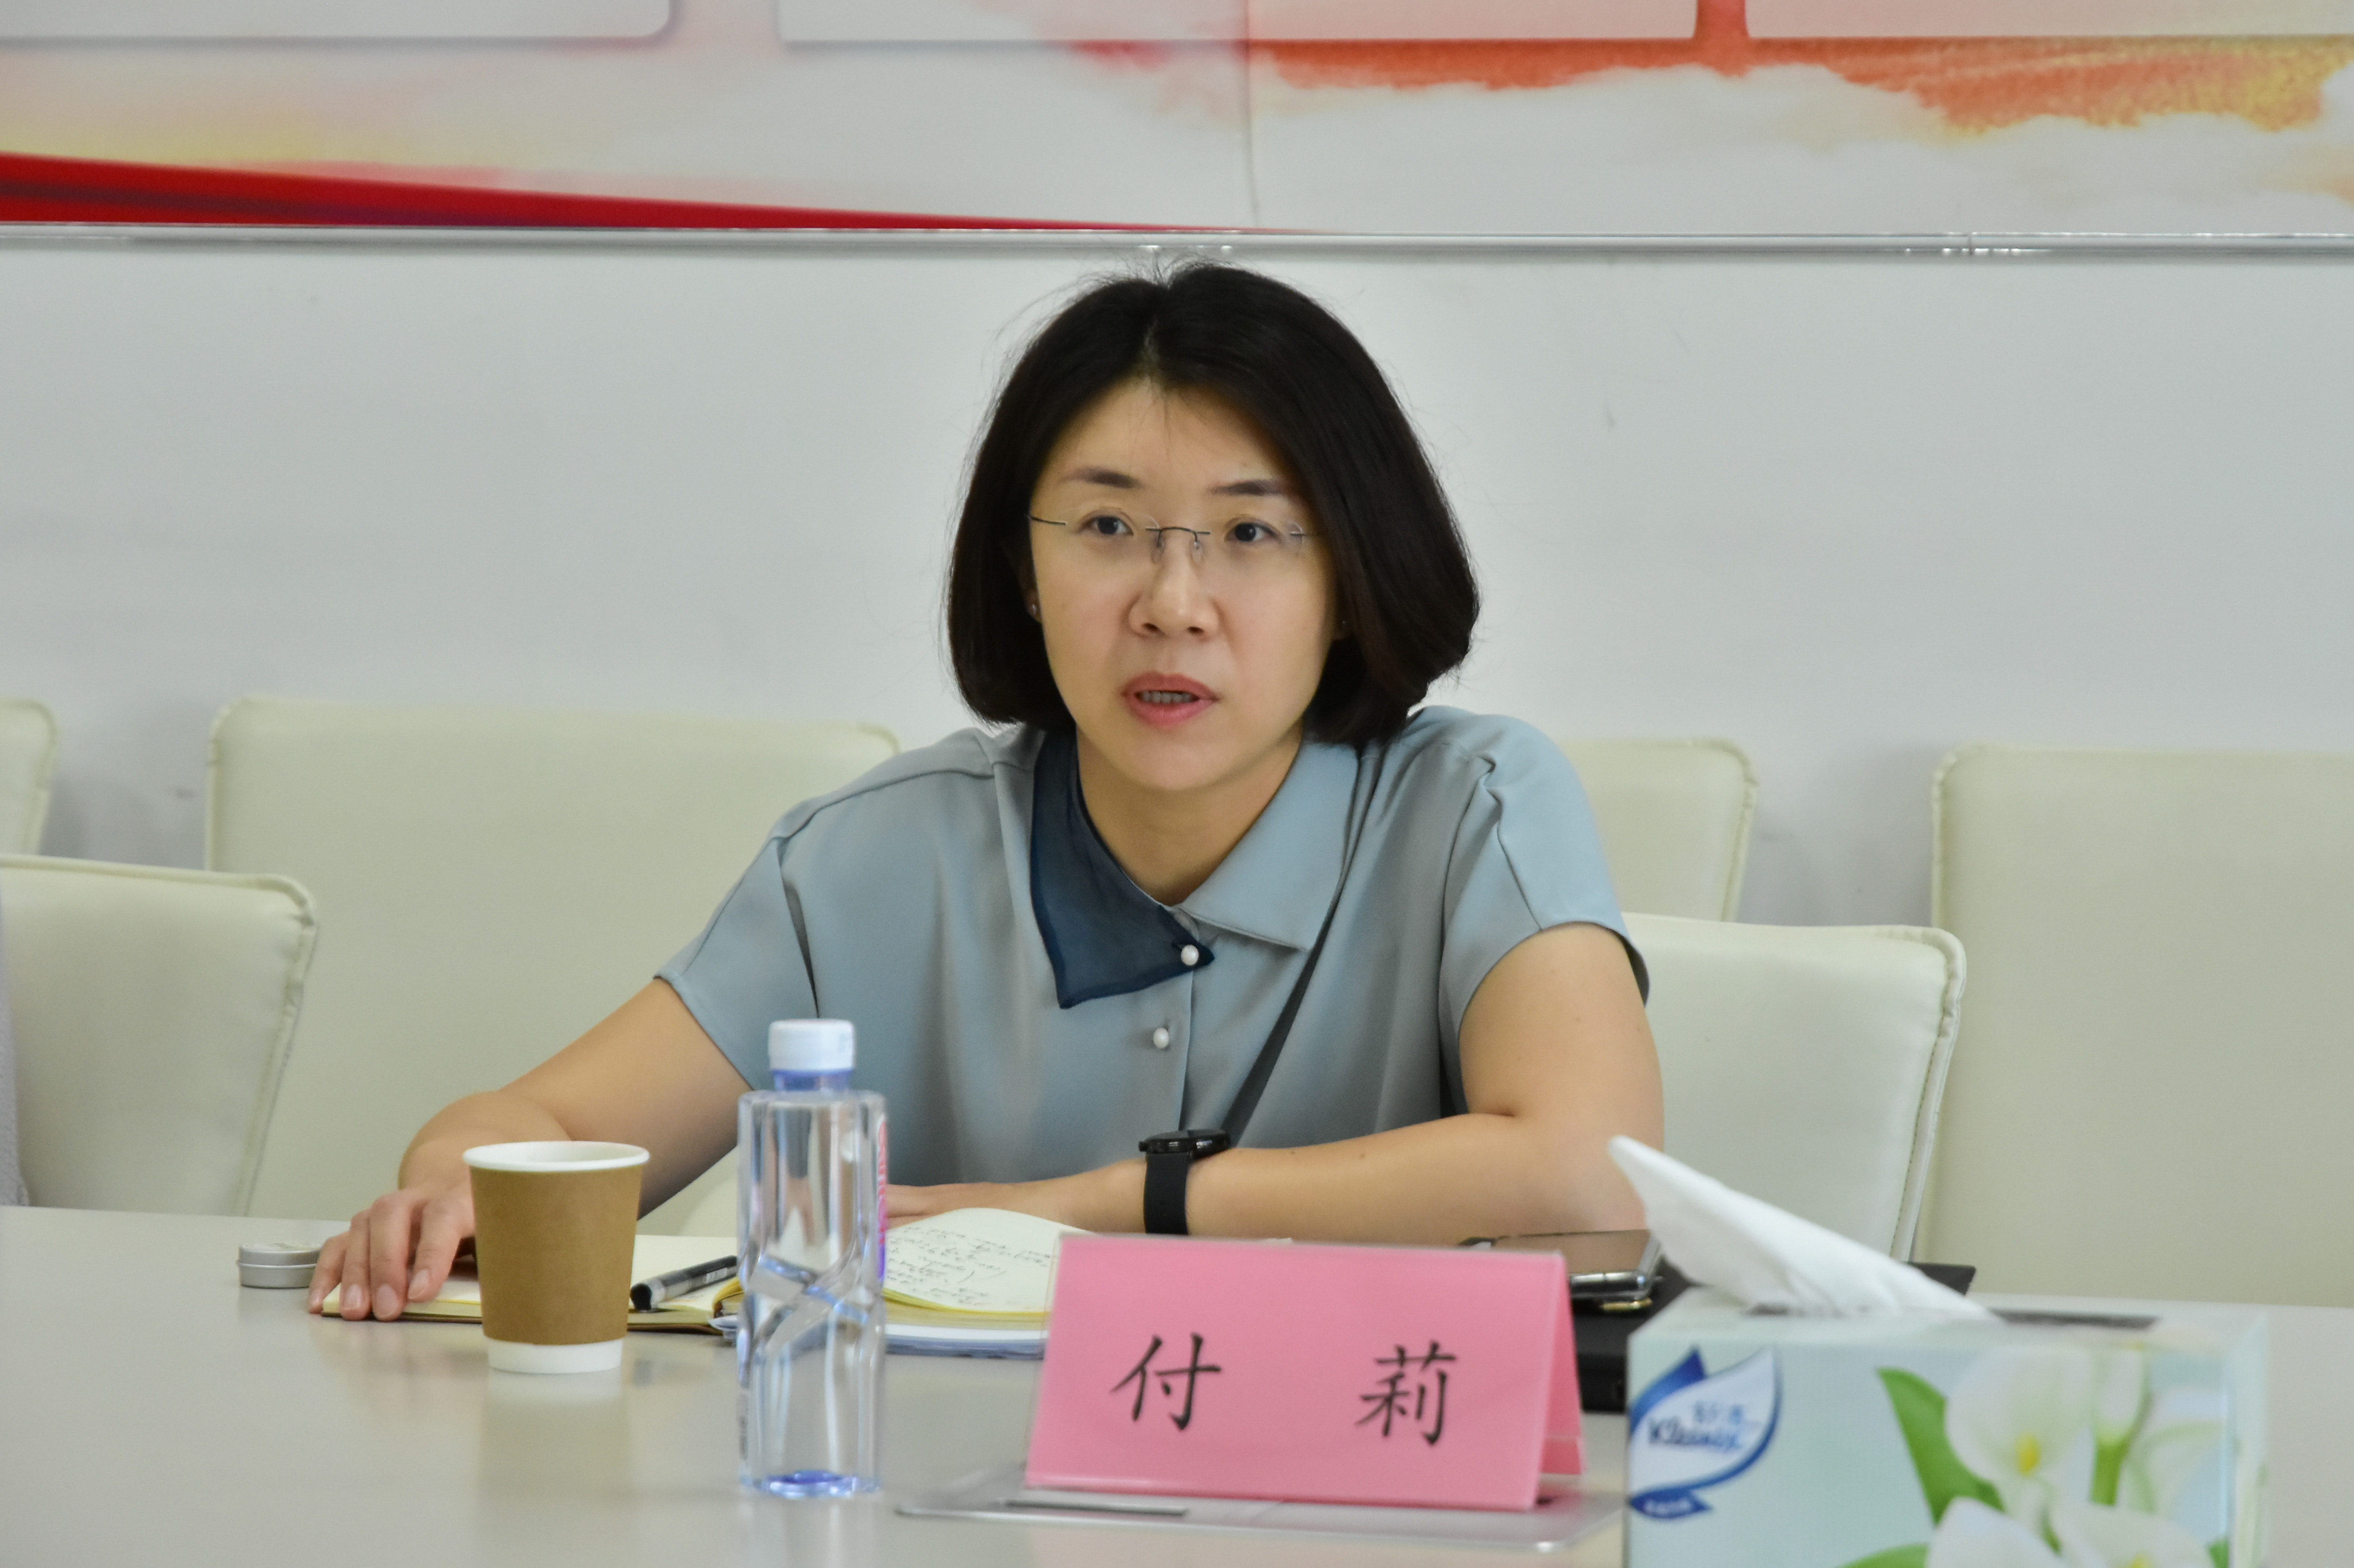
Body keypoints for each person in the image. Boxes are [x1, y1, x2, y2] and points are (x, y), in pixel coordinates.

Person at [312, 263, 1660, 1322]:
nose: (1171, 604)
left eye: (1250, 533)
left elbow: (1589, 1174)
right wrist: (447, 1187)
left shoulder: (1474, 807)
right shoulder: (881, 856)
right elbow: (534, 1128)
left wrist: (1095, 1210)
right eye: (1107, 527)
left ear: (1350, 582)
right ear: (1021, 568)